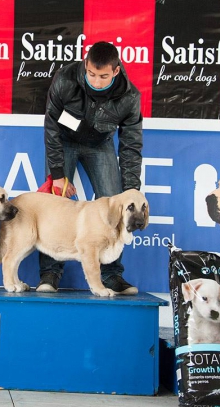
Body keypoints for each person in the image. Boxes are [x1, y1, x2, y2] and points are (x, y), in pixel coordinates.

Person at [37, 41, 143, 295]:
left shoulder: (130, 97)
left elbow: (131, 146)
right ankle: (50, 274)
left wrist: (131, 191)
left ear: (116, 71)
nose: (96, 81)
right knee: (54, 201)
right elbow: (51, 127)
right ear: (85, 65)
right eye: (92, 74)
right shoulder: (65, 79)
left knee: (115, 202)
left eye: (103, 76)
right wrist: (59, 174)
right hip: (64, 141)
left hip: (100, 144)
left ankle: (112, 275)